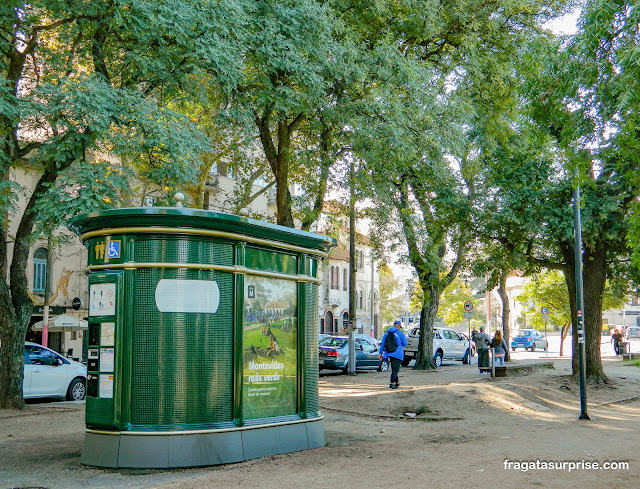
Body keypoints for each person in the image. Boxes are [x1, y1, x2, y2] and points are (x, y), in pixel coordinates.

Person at [378, 320, 408, 389]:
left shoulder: (386, 333)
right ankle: (392, 383)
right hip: (398, 354)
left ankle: (397, 382)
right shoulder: (400, 333)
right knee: (395, 369)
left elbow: (383, 344)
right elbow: (405, 343)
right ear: (398, 326)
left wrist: (380, 353)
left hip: (389, 353)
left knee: (394, 368)